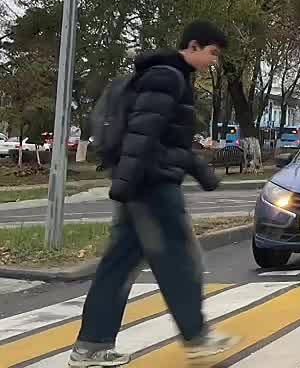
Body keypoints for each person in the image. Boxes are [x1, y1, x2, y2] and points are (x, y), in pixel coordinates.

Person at [70, 21, 238, 368]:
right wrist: (127, 186)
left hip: (142, 183)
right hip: (152, 186)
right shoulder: (166, 78)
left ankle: (91, 347)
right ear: (193, 46)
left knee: (118, 265)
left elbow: (162, 139)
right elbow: (142, 136)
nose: (213, 62)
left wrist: (199, 171)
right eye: (212, 53)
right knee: (179, 260)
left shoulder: (165, 76)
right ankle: (198, 338)